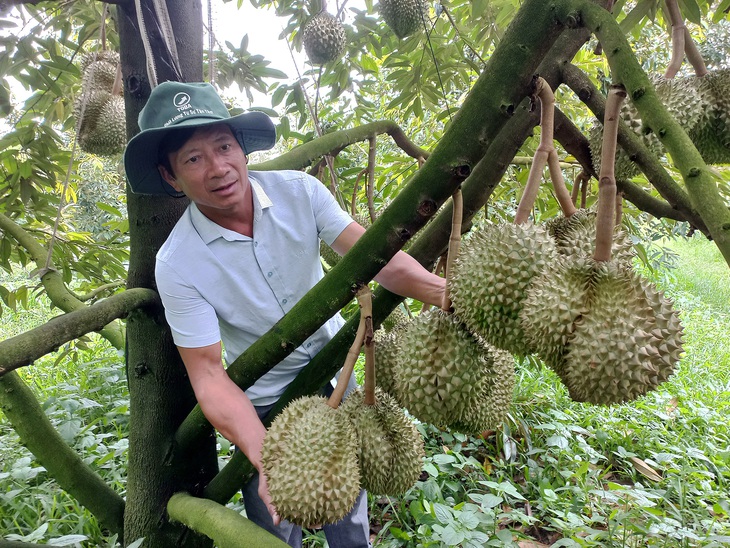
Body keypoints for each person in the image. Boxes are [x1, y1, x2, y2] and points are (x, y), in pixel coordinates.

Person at [124, 81, 445, 547]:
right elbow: (209, 374)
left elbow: (380, 259)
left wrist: (445, 294)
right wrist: (264, 454)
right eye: (194, 158)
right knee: (274, 525)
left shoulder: (300, 192)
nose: (218, 167)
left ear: (241, 148)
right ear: (171, 177)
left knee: (350, 517)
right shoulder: (178, 263)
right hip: (265, 404)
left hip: (340, 372)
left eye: (224, 146)